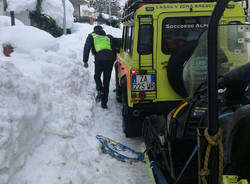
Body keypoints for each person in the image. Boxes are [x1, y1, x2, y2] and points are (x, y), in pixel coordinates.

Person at [83, 25, 115, 109]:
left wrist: (85, 61)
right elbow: (115, 45)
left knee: (97, 76)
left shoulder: (92, 35)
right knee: (106, 81)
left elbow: (87, 47)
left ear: (94, 30)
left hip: (99, 59)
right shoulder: (108, 37)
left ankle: (100, 90)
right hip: (110, 59)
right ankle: (104, 104)